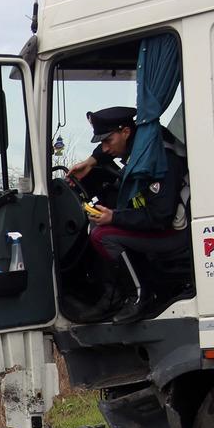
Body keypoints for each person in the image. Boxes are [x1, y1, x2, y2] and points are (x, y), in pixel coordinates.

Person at [64, 106, 190, 325]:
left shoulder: (160, 158)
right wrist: (91, 162)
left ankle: (141, 296)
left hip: (175, 231)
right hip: (164, 224)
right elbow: (108, 149)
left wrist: (114, 217)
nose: (104, 148)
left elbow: (159, 217)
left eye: (107, 141)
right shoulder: (143, 141)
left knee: (103, 234)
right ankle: (113, 294)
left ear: (125, 132)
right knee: (99, 225)